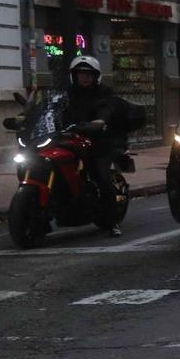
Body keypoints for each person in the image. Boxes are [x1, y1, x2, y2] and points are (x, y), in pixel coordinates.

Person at [63, 55, 126, 237]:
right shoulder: (66, 93)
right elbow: (51, 108)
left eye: (88, 74)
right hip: (70, 138)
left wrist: (100, 120)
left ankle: (112, 221)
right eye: (81, 74)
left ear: (96, 76)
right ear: (74, 75)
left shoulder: (104, 93)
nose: (85, 77)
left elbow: (108, 108)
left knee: (103, 177)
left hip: (98, 141)